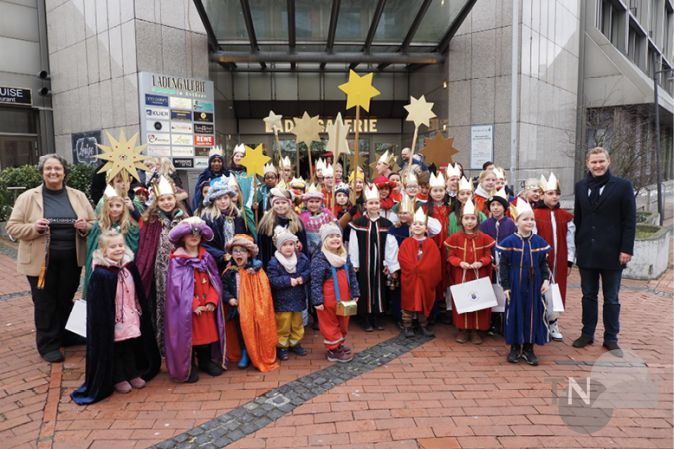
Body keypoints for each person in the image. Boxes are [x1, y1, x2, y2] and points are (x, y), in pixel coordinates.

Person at [7, 154, 95, 363]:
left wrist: (85, 227)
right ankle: (48, 344)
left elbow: (94, 222)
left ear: (64, 172)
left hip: (71, 260)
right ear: (42, 172)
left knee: (65, 299)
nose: (53, 172)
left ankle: (66, 335)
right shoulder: (28, 197)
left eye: (57, 169)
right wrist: (34, 227)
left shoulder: (78, 196)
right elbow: (12, 226)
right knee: (45, 302)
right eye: (48, 169)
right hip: (40, 263)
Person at [71, 230, 160, 404]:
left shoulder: (129, 266)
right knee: (116, 347)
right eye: (113, 247)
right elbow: (98, 302)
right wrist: (107, 320)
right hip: (112, 319)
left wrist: (138, 307)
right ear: (104, 250)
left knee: (129, 344)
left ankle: (133, 373)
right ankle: (118, 377)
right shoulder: (101, 273)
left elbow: (137, 291)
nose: (118, 249)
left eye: (120, 245)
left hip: (130, 313)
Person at [572, 147, 636, 357]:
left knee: (611, 298)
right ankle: (587, 332)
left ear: (608, 162)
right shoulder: (581, 187)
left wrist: (626, 249)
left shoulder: (623, 186)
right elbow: (579, 219)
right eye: (594, 162)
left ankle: (611, 337)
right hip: (587, 252)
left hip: (613, 252)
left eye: (601, 161)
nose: (598, 166)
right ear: (587, 164)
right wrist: (577, 247)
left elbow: (629, 220)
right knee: (588, 295)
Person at [165, 217, 225, 382]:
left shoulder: (206, 257)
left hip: (207, 309)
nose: (194, 237)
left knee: (206, 338)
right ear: (183, 237)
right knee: (190, 339)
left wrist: (212, 300)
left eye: (197, 234)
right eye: (190, 234)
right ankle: (189, 365)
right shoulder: (177, 261)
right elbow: (177, 289)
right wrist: (193, 304)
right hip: (189, 312)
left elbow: (215, 281)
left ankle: (205, 361)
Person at [136, 175, 187, 353]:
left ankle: (182, 343)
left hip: (181, 272)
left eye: (169, 198)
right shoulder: (151, 220)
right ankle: (163, 345)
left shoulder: (184, 219)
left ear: (175, 199)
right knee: (161, 306)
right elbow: (145, 248)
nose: (166, 202)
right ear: (157, 202)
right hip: (158, 272)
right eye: (162, 199)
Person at [497, 198, 551, 365]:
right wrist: (505, 286)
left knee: (532, 312)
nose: (529, 222)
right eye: (525, 219)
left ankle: (528, 348)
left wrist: (546, 280)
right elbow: (503, 266)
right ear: (516, 221)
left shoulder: (539, 242)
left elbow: (543, 263)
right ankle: (514, 347)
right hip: (515, 282)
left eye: (532, 219)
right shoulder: (509, 242)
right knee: (514, 312)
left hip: (534, 284)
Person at [222, 234, 279, 372]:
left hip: (253, 310)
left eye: (242, 251)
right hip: (237, 309)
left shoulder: (254, 271)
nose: (238, 254)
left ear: (249, 254)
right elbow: (223, 288)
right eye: (235, 251)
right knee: (241, 332)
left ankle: (256, 351)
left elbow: (263, 291)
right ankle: (244, 353)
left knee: (254, 330)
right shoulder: (229, 272)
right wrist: (229, 298)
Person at [445, 198, 495, 344]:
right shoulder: (455, 237)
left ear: (477, 220)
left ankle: (475, 331)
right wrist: (460, 263)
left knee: (478, 301)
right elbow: (451, 256)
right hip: (462, 275)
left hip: (479, 275)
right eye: (466, 218)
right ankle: (463, 330)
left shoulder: (484, 238)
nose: (469, 222)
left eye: (472, 218)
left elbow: (488, 255)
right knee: (462, 301)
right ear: (461, 220)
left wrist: (481, 262)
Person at [533, 173, 575, 341]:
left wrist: (570, 260)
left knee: (557, 291)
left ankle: (553, 322)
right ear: (542, 195)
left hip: (560, 261)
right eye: (550, 193)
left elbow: (570, 239)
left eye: (557, 193)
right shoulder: (534, 214)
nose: (554, 197)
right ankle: (539, 323)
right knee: (540, 290)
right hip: (542, 261)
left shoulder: (565, 217)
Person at [310, 223, 360, 362]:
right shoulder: (320, 258)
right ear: (324, 240)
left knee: (343, 322)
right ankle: (333, 350)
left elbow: (352, 276)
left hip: (345, 299)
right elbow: (315, 281)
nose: (335, 239)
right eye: (331, 236)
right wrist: (317, 300)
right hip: (327, 301)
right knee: (329, 323)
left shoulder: (344, 255)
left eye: (337, 235)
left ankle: (339, 345)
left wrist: (355, 292)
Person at [348, 184, 392, 331]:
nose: (374, 206)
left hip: (380, 262)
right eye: (371, 203)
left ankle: (377, 316)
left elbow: (389, 245)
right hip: (364, 262)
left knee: (379, 287)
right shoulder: (358, 223)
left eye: (376, 203)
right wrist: (354, 262)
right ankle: (365, 317)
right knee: (364, 287)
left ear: (380, 204)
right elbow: (353, 244)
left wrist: (388, 262)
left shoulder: (386, 224)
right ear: (365, 205)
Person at [83, 185, 140, 300]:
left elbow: (133, 248)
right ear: (105, 207)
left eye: (118, 205)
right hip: (103, 269)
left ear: (124, 207)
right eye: (111, 205)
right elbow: (92, 249)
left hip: (122, 269)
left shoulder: (130, 226)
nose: (114, 209)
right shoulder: (99, 226)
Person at [396, 208, 442, 338]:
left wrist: (424, 269)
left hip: (425, 279)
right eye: (415, 224)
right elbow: (403, 258)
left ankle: (423, 324)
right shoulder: (406, 242)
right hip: (410, 277)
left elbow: (434, 261)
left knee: (424, 300)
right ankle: (407, 325)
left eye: (421, 224)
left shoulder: (430, 243)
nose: (417, 226)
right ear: (410, 228)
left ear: (426, 228)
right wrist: (413, 268)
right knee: (408, 301)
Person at [267, 226, 311, 361]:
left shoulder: (301, 258)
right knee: (283, 324)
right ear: (278, 247)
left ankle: (295, 342)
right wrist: (287, 280)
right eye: (284, 245)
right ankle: (282, 345)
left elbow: (308, 271)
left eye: (291, 244)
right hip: (283, 300)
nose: (288, 247)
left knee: (297, 323)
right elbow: (272, 279)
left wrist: (302, 278)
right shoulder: (274, 262)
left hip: (298, 297)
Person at [479, 189, 517, 335]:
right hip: (491, 263)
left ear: (504, 207)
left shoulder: (511, 224)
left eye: (498, 205)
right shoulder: (485, 225)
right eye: (493, 205)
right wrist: (490, 260)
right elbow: (483, 243)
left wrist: (506, 261)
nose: (495, 208)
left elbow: (513, 243)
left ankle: (505, 320)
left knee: (505, 289)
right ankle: (493, 321)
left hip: (506, 262)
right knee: (492, 289)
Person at [200, 177, 247, 272]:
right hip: (216, 261)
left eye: (225, 198)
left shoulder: (237, 216)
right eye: (218, 199)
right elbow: (204, 243)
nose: (223, 201)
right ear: (213, 201)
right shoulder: (208, 218)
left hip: (236, 260)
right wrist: (222, 255)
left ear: (230, 198)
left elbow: (242, 237)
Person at [257, 187, 308, 267]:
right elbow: (261, 247)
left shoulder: (296, 221)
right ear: (272, 204)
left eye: (284, 203)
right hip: (273, 265)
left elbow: (303, 245)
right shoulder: (266, 222)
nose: (280, 205)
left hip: (293, 264)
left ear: (289, 204)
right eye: (277, 203)